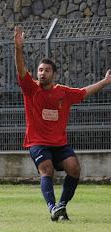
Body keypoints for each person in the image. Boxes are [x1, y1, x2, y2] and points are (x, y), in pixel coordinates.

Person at [14, 26, 111, 221]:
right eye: (40, 70)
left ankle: (61, 206)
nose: (42, 73)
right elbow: (21, 69)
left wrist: (105, 81)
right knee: (46, 169)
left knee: (74, 168)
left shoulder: (63, 93)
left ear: (53, 74)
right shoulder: (31, 89)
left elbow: (84, 92)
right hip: (37, 143)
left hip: (59, 144)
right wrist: (18, 49)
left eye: (47, 70)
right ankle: (52, 208)